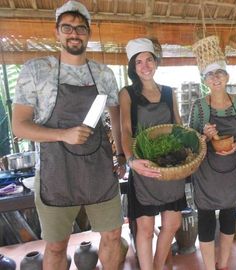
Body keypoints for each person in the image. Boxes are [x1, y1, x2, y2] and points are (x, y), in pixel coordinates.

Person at [11, 1, 125, 269]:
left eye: (81, 28)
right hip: (56, 172)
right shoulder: (36, 71)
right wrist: (64, 134)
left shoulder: (103, 73)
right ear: (57, 32)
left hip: (98, 169)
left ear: (88, 33)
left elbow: (116, 118)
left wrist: (120, 155)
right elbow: (19, 125)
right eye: (67, 28)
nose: (74, 33)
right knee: (56, 244)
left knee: (113, 235)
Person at [119, 37, 187, 270]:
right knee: (146, 229)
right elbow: (126, 130)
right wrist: (132, 160)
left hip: (170, 167)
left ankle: (158, 265)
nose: (145, 66)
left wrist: (190, 148)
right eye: (139, 62)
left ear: (156, 63)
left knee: (173, 222)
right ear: (133, 67)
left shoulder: (169, 92)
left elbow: (178, 126)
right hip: (144, 166)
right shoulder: (127, 94)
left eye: (149, 60)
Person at [189, 59, 236, 270]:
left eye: (220, 73)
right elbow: (189, 143)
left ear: (227, 77)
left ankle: (223, 265)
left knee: (229, 218)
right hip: (206, 173)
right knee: (206, 219)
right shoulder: (199, 106)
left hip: (232, 170)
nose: (215, 78)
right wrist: (205, 137)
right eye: (210, 74)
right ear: (205, 80)